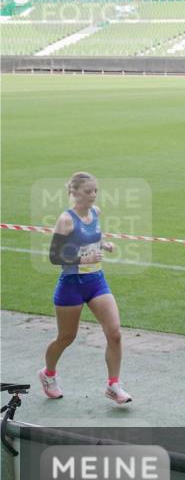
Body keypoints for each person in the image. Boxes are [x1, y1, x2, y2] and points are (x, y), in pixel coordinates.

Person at [40, 172, 132, 405]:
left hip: (96, 282)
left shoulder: (95, 212)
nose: (93, 195)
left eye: (95, 191)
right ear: (74, 192)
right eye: (88, 191)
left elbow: (88, 238)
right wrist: (84, 259)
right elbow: (54, 256)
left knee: (115, 334)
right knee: (66, 337)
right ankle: (48, 375)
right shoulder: (66, 220)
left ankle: (113, 385)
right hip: (71, 285)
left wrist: (103, 244)